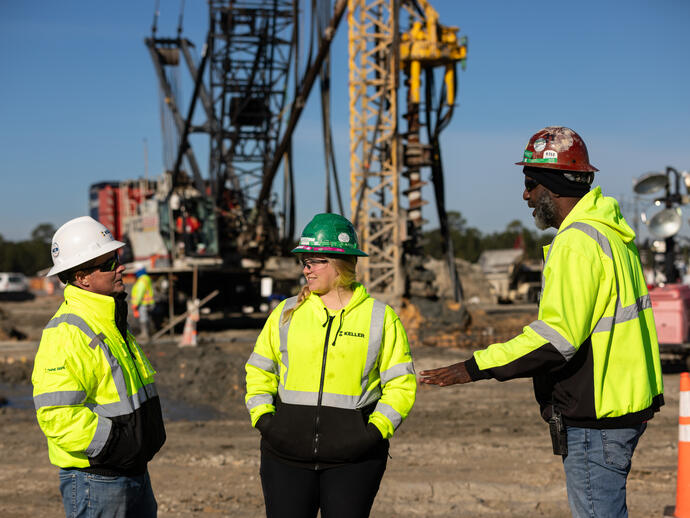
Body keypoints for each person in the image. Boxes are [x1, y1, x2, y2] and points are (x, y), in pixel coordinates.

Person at [420, 126, 664, 518]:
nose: (526, 195)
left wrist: (474, 367)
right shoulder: (611, 235)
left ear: (552, 186)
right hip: (622, 408)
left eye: (531, 184)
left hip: (596, 417)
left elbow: (556, 339)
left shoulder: (577, 242)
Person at [245, 213, 417, 518]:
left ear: (340, 263)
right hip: (284, 456)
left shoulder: (380, 318)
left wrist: (374, 432)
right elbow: (259, 370)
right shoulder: (286, 313)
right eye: (304, 261)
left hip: (355, 460)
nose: (306, 268)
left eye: (315, 260)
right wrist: (265, 421)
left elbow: (401, 384)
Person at [31, 216, 166, 518]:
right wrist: (119, 444)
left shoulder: (109, 321)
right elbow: (57, 417)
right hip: (99, 479)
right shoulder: (68, 333)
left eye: (116, 258)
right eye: (108, 263)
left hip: (131, 470)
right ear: (82, 278)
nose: (120, 267)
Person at [131, 263, 156, 341]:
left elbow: (140, 293)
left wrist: (135, 304)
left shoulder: (142, 280)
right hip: (148, 303)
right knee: (146, 318)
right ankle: (147, 333)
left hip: (143, 303)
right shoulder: (146, 278)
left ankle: (145, 334)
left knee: (143, 318)